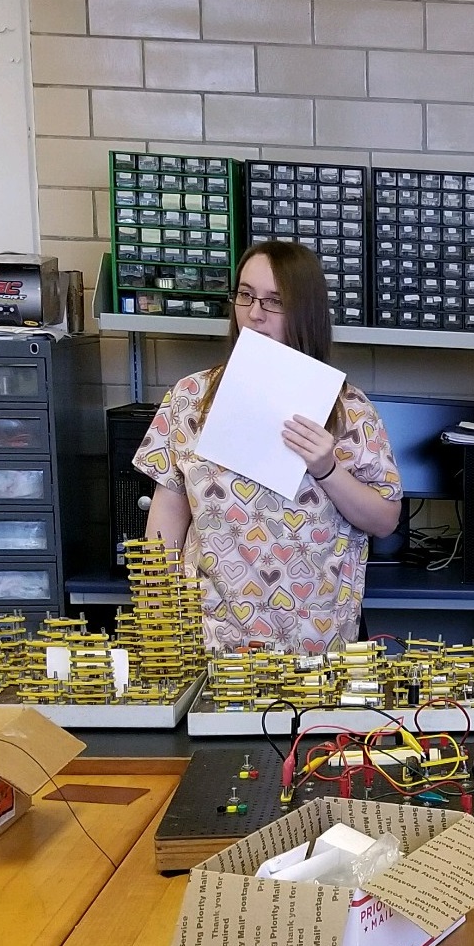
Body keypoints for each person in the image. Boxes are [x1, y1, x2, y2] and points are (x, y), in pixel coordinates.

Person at [134, 240, 402, 654]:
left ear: (304, 310)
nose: (255, 314)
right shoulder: (190, 397)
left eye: (274, 301)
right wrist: (156, 617)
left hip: (316, 641)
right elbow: (166, 519)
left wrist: (327, 468)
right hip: (212, 639)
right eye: (246, 295)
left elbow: (385, 519)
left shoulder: (349, 408)